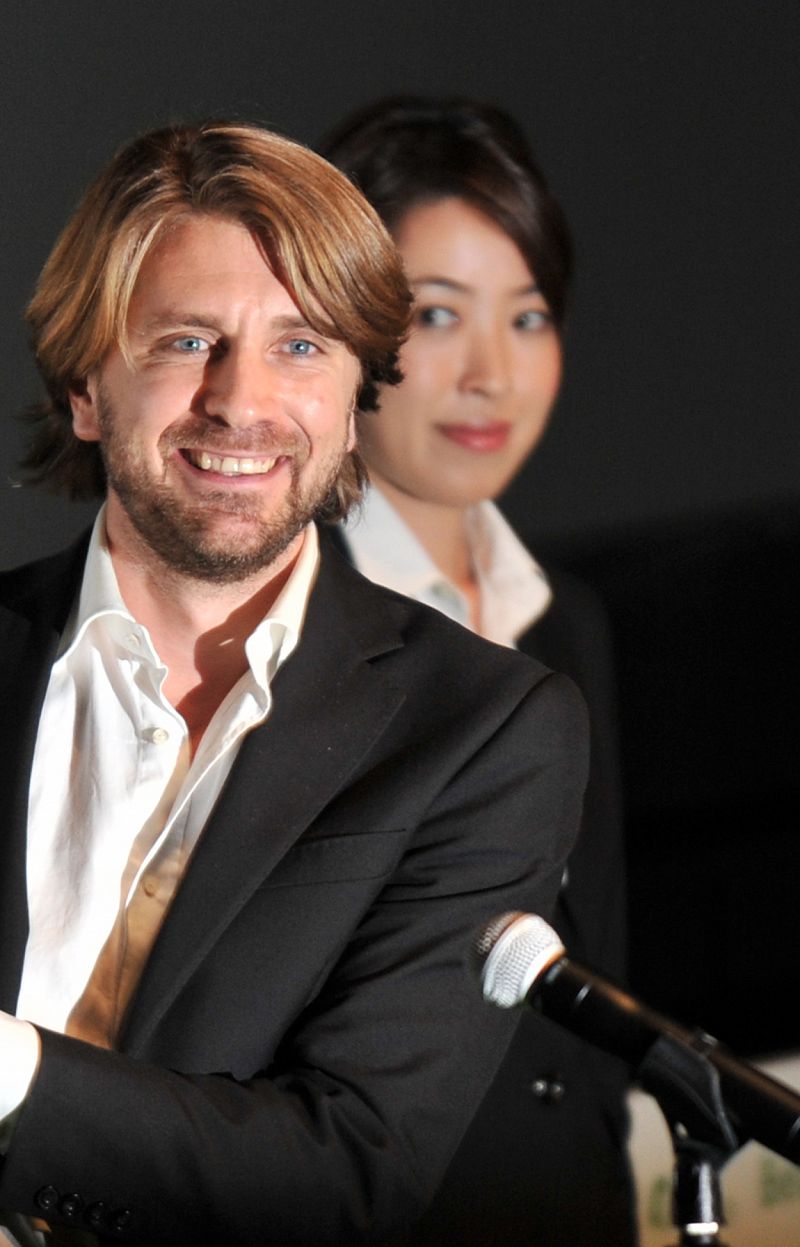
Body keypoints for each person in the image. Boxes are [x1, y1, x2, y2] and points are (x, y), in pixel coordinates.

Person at [0, 120, 588, 1245]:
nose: (240, 400)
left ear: (358, 396)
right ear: (84, 388)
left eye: (301, 345)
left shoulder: (480, 729)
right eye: (188, 339)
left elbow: (347, 1179)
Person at [319, 98, 633, 1243]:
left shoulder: (567, 622)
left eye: (531, 316)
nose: (492, 372)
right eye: (438, 314)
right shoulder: (284, 629)